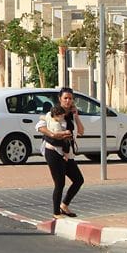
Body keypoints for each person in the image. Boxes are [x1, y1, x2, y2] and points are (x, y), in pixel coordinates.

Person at [36, 87, 85, 218]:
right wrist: (53, 134)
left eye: (70, 98)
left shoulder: (71, 115)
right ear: (60, 99)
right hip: (53, 151)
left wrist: (76, 116)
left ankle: (64, 205)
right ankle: (56, 213)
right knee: (60, 183)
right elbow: (40, 126)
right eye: (65, 98)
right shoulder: (54, 112)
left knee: (78, 180)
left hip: (67, 153)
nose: (68, 101)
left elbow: (81, 131)